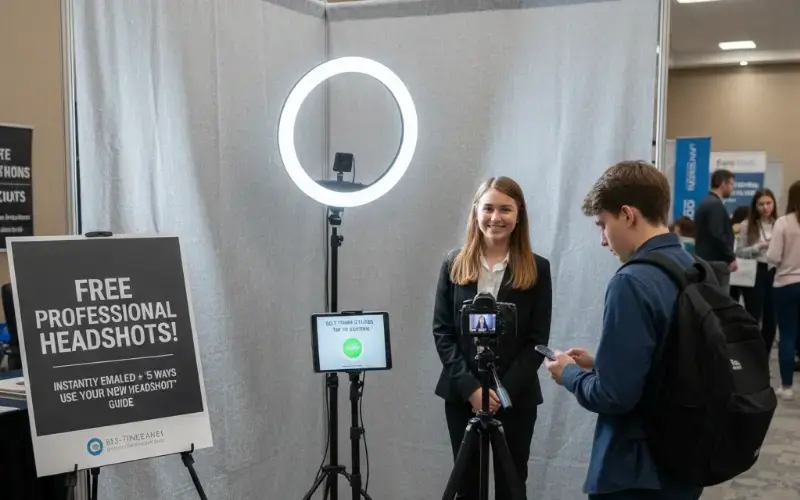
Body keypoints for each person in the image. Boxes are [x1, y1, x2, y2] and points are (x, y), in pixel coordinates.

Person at [544, 160, 703, 500]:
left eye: (603, 225)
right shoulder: (695, 267)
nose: (603, 240)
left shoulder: (631, 282)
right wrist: (601, 361)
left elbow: (613, 396)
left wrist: (569, 374)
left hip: (634, 471)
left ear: (628, 215)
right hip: (686, 459)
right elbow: (671, 360)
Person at [432, 176, 552, 500]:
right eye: (488, 208)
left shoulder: (538, 270)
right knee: (467, 487)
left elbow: (537, 341)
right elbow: (442, 332)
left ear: (518, 215)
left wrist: (500, 392)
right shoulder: (454, 264)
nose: (495, 217)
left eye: (505, 209)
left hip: (515, 398)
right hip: (462, 395)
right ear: (476, 212)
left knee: (512, 486)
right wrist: (472, 388)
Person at [766, 181, 800, 401]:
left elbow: (773, 257)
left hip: (786, 284)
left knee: (787, 335)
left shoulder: (783, 223)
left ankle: (786, 387)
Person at [736, 189, 778, 352]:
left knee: (771, 317)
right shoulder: (747, 225)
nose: (765, 208)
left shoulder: (779, 224)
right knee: (753, 314)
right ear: (755, 206)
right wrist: (757, 247)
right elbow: (739, 251)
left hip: (774, 270)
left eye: (769, 203)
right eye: (761, 204)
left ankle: (765, 353)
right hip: (755, 270)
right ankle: (751, 352)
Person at [694, 169, 737, 272]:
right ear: (723, 184)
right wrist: (730, 257)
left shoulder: (705, 202)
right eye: (731, 184)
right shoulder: (715, 205)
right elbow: (718, 234)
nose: (733, 188)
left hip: (704, 260)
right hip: (715, 263)